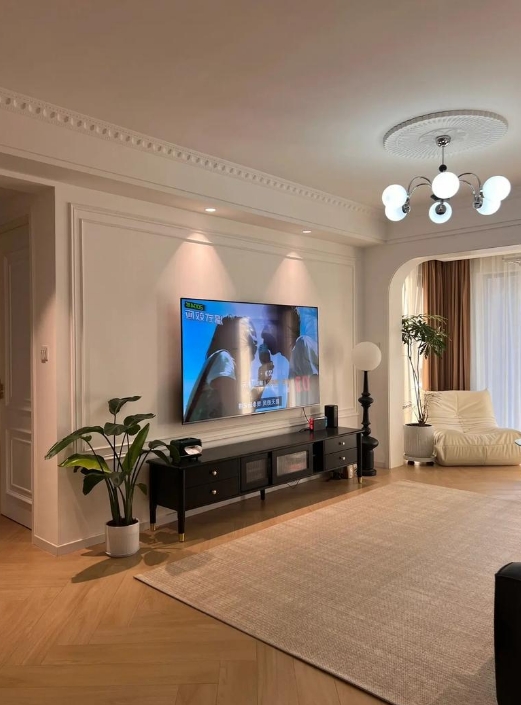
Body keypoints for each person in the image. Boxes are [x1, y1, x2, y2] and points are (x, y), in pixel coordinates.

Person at [184, 316, 259, 422]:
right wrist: (260, 387)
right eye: (249, 332)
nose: (255, 341)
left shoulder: (224, 361)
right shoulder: (223, 357)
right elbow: (236, 412)